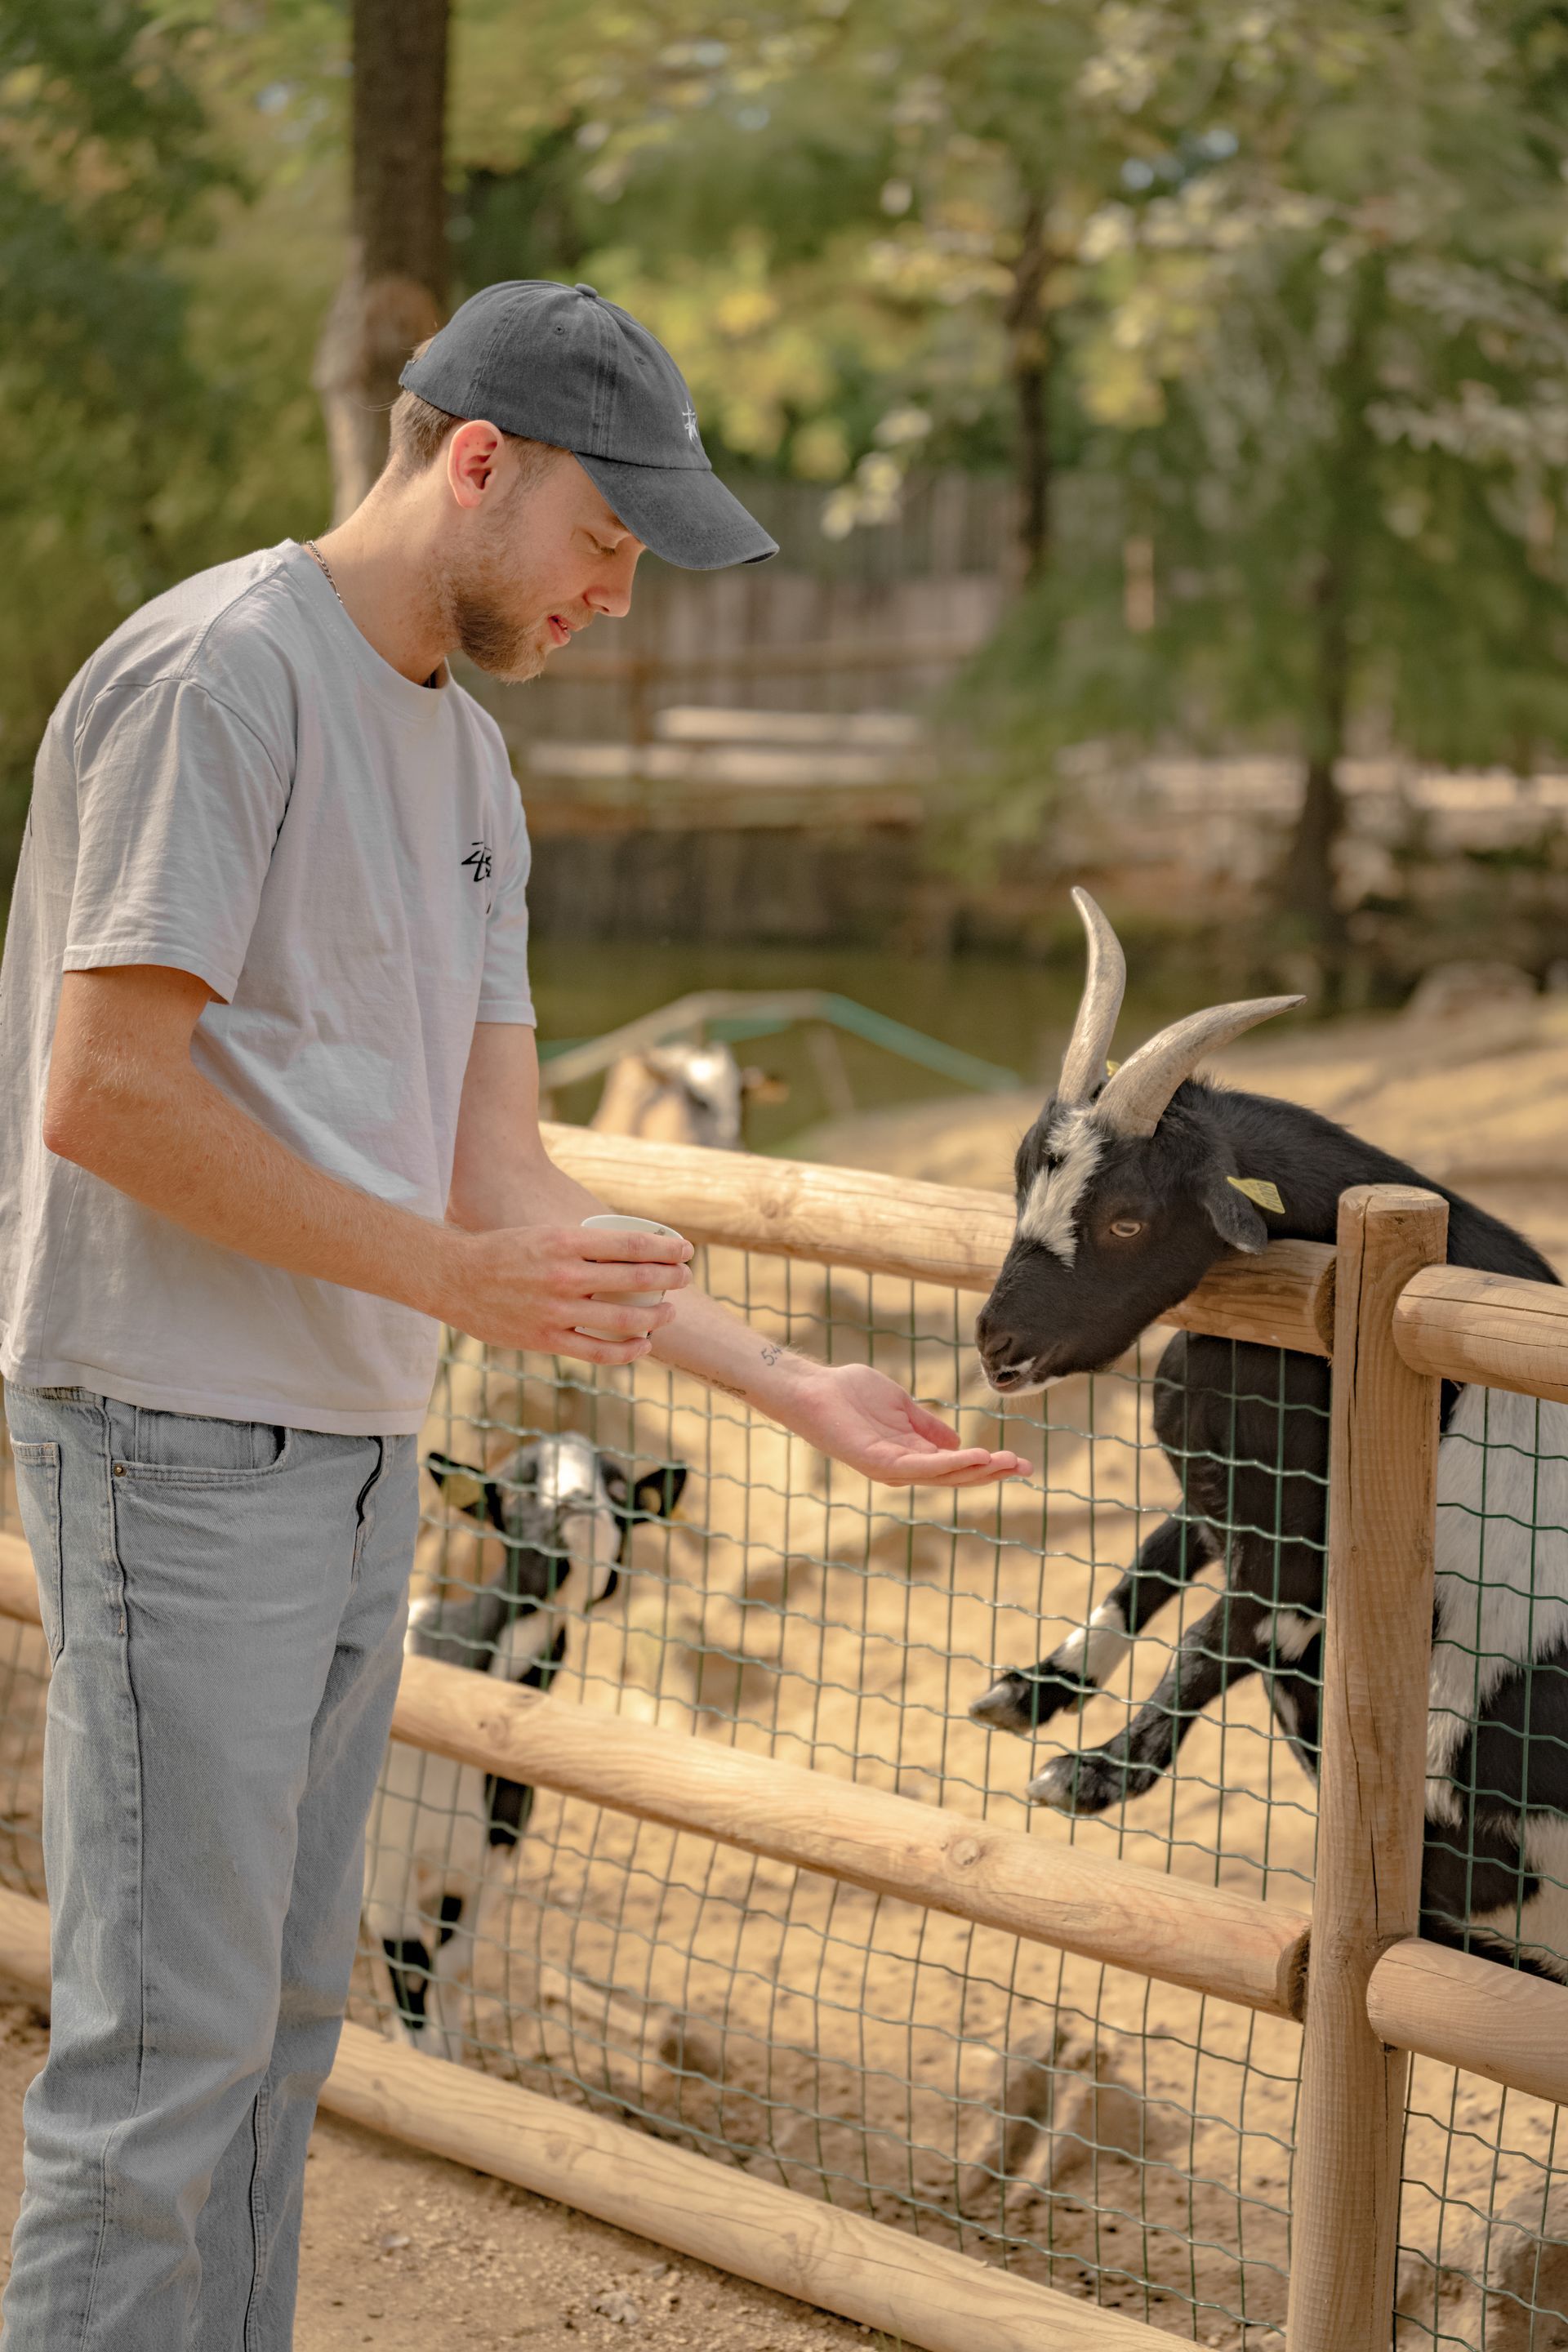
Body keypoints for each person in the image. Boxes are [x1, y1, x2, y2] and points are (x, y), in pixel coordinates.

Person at [0, 278, 1023, 2348]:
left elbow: (507, 1185)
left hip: (359, 1452)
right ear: (481, 463)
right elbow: (104, 1093)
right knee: (159, 2066)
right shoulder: (221, 677)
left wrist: (780, 1382)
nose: (618, 599)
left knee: (289, 2031)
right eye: (608, 542)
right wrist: (456, 1287)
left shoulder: (473, 770)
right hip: (170, 1437)